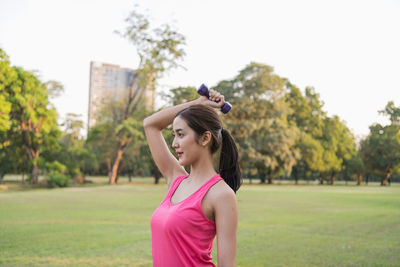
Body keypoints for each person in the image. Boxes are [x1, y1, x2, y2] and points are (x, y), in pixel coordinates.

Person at [143, 89, 242, 267]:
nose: (174, 144)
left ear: (204, 138)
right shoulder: (176, 180)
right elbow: (150, 124)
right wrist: (198, 103)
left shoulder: (221, 195)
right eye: (174, 135)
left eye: (180, 134)